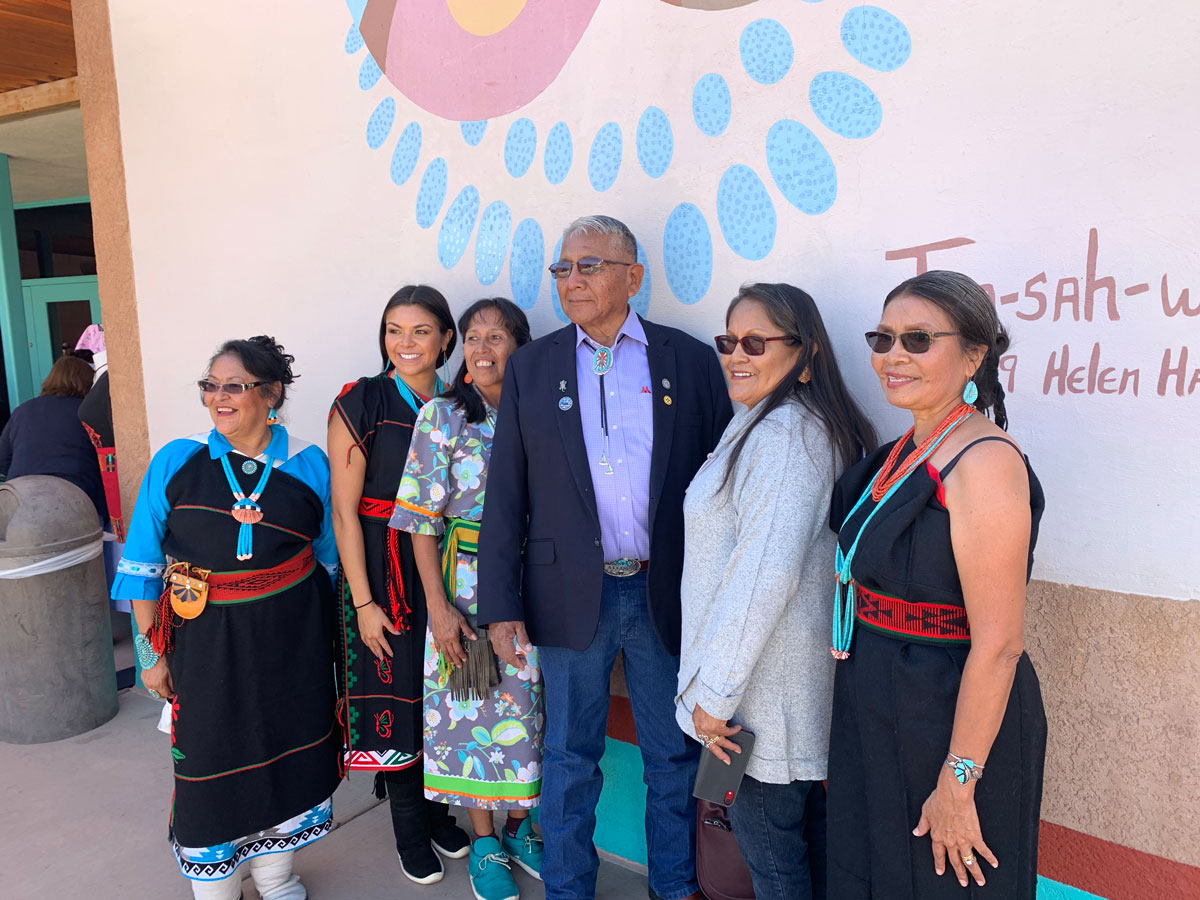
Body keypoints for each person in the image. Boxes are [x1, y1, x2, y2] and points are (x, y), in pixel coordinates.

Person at [477, 215, 733, 900]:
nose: (572, 280)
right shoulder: (534, 366)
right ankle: (568, 889)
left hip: (664, 593)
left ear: (633, 277)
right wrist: (499, 606)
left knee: (672, 758)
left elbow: (720, 481)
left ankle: (674, 888)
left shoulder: (687, 360)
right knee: (568, 757)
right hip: (568, 595)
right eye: (563, 269)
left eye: (589, 265)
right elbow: (505, 492)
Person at [827, 270, 1047, 899]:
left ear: (975, 353)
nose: (893, 355)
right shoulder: (904, 451)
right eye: (883, 337)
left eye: (918, 339)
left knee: (942, 881)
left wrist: (960, 779)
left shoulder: (985, 462)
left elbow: (1000, 644)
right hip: (874, 693)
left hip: (947, 712)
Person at [112, 336, 340, 900]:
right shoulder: (177, 459)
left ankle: (275, 876)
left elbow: (331, 562)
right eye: (210, 386)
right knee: (209, 761)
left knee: (291, 752)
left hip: (294, 644)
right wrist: (150, 655)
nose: (218, 397)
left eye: (233, 386)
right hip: (204, 645)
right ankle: (214, 888)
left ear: (272, 394)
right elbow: (141, 564)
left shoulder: (310, 462)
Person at [676, 284, 877, 900]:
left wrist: (715, 692)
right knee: (794, 863)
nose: (737, 354)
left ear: (806, 354)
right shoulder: (764, 423)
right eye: (728, 341)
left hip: (760, 709)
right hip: (765, 696)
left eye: (756, 342)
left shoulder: (787, 436)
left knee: (776, 872)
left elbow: (765, 573)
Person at [391, 297, 543, 900]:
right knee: (472, 709)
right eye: (474, 337)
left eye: (497, 338)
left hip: (534, 584)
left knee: (528, 710)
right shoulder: (442, 416)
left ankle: (518, 825)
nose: (483, 350)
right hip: (465, 585)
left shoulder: (540, 414)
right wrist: (440, 607)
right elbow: (420, 521)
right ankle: (483, 842)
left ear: (520, 347)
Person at [328, 285, 471, 885]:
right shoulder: (362, 402)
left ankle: (438, 814)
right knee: (399, 704)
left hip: (447, 566)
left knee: (441, 697)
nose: (405, 343)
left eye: (419, 330)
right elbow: (344, 511)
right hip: (382, 570)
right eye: (394, 329)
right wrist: (364, 603)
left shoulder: (463, 402)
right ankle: (410, 830)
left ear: (445, 339)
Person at [0, 355, 107, 521]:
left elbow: (3, 460)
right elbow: (106, 459)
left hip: (18, 505)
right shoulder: (86, 412)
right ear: (87, 382)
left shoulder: (22, 411)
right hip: (77, 500)